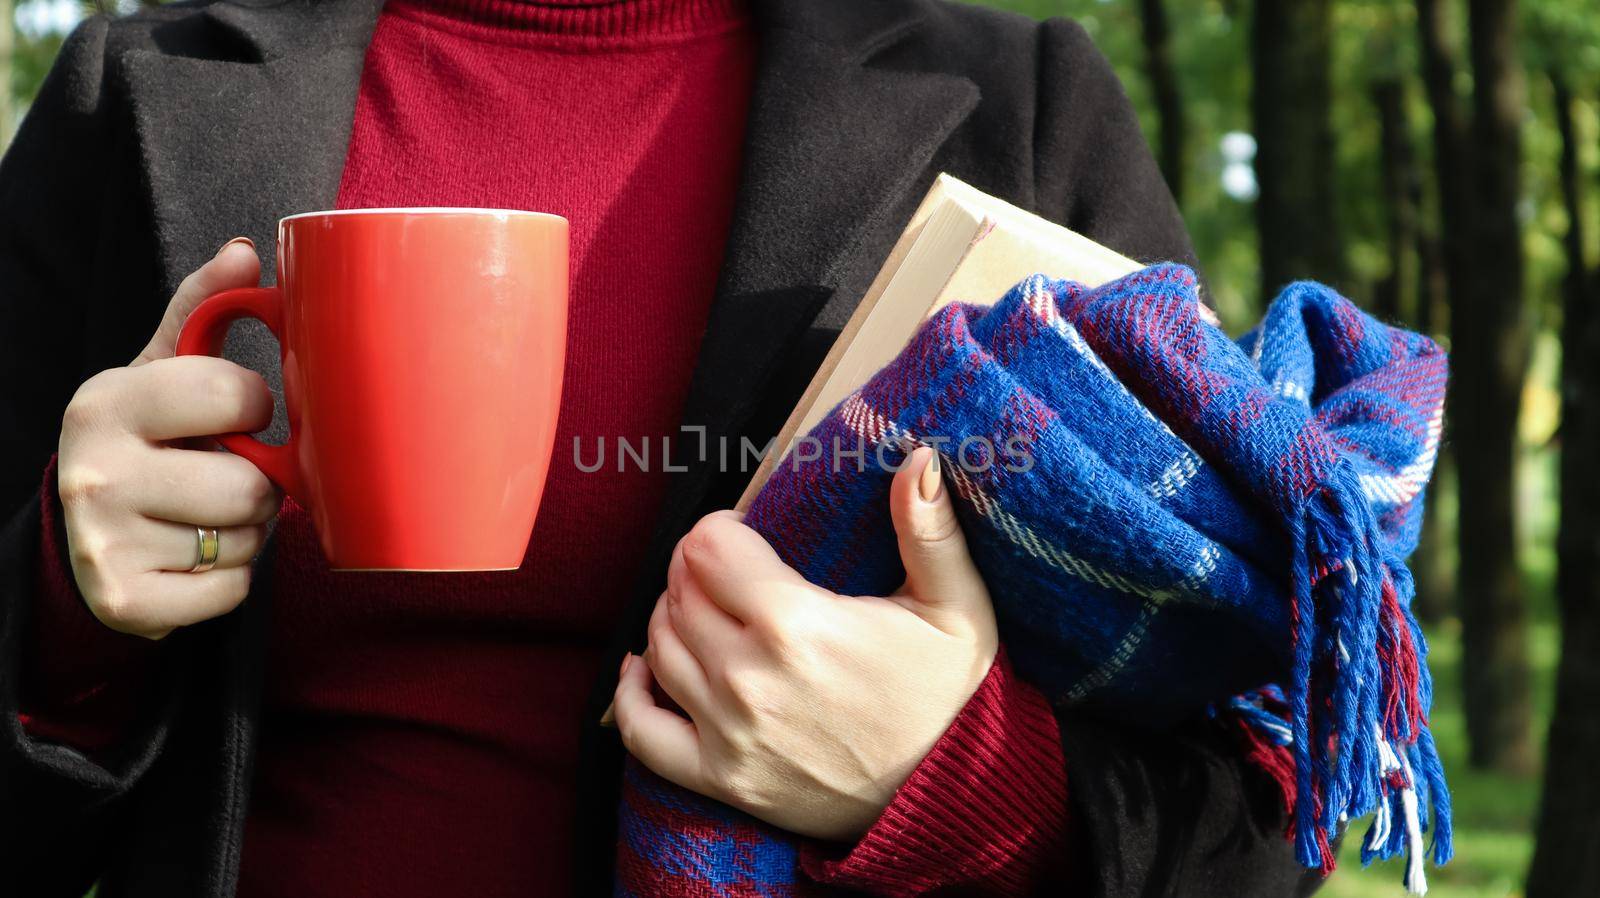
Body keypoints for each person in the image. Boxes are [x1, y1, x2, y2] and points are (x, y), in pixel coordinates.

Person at [0, 0, 1322, 895]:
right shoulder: (135, 92)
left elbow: (1259, 820)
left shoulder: (1025, 115)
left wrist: (959, 782)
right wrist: (60, 620)